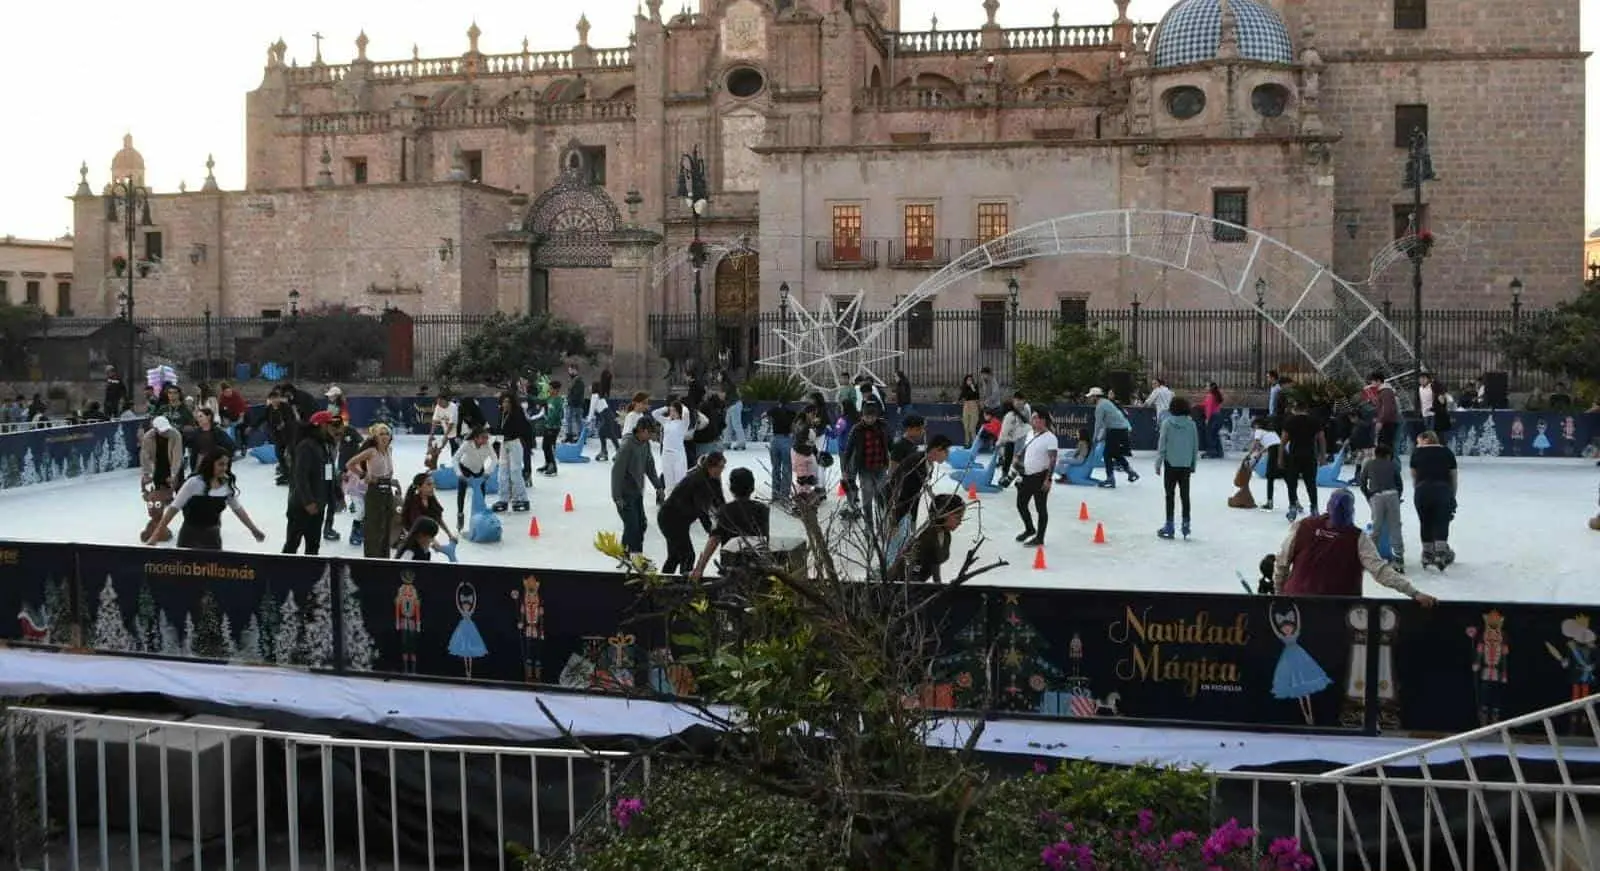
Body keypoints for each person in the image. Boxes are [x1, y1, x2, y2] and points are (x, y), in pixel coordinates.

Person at [1272, 489, 1436, 606]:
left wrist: (1280, 593)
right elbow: (1380, 571)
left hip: (1297, 603)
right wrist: (1414, 593)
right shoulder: (1357, 538)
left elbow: (1282, 562)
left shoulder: (1304, 526)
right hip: (1340, 610)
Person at [145, 447, 267, 549]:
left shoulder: (226, 484)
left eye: (227, 464)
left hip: (212, 537)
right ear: (211, 463)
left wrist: (254, 530)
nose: (224, 468)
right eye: (220, 464)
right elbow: (173, 509)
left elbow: (238, 509)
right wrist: (156, 535)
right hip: (189, 536)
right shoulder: (194, 482)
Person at [689, 467, 771, 580]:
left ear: (731, 489)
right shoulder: (762, 509)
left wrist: (699, 569)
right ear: (752, 488)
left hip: (730, 568)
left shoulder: (724, 511)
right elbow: (764, 539)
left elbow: (714, 540)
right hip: (757, 566)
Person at [658, 453, 727, 575]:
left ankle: (666, 581)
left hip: (682, 519)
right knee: (687, 555)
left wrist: (727, 519)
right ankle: (686, 584)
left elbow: (719, 502)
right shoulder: (697, 479)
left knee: (675, 556)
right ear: (710, 466)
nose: (721, 470)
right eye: (719, 467)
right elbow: (701, 509)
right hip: (669, 518)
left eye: (723, 467)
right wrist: (712, 531)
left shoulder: (713, 479)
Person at [284, 410, 338, 555]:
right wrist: (308, 501)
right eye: (330, 424)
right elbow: (300, 476)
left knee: (313, 545)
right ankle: (283, 573)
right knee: (292, 544)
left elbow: (329, 474)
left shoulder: (325, 445)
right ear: (320, 426)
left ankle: (311, 575)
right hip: (302, 506)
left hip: (319, 504)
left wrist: (336, 496)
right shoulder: (306, 446)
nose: (334, 427)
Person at [612, 416, 664, 556]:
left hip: (637, 491)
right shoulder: (627, 446)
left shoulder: (644, 444)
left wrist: (658, 486)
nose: (652, 436)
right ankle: (634, 554)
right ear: (641, 430)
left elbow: (650, 466)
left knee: (641, 524)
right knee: (633, 526)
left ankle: (627, 552)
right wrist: (617, 497)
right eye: (650, 432)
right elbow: (617, 472)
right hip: (624, 493)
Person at [888, 494, 968, 584]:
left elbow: (935, 564)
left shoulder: (946, 535)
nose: (960, 522)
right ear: (943, 514)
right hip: (901, 583)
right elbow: (910, 568)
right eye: (957, 518)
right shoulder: (926, 537)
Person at [346, 423, 399, 558]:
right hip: (374, 492)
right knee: (374, 529)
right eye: (381, 434)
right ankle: (371, 559)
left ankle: (384, 559)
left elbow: (387, 473)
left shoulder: (389, 450)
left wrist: (395, 484)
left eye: (387, 433)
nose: (385, 436)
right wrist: (364, 475)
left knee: (386, 527)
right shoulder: (371, 451)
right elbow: (350, 464)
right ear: (375, 437)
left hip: (387, 492)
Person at [1410, 430, 1459, 570]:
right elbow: (1453, 477)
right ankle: (1440, 553)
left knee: (1425, 521)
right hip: (1442, 490)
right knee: (1441, 521)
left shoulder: (1416, 453)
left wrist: (1418, 492)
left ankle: (1427, 553)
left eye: (1418, 441)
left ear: (1426, 440)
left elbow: (1414, 476)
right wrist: (1452, 496)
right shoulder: (1447, 453)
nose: (1418, 444)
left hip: (1422, 490)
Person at [842, 401, 892, 530]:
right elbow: (848, 449)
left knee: (882, 497)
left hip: (881, 467)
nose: (870, 419)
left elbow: (890, 444)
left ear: (876, 416)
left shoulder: (883, 426)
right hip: (865, 469)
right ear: (862, 416)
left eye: (872, 416)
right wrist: (845, 468)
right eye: (867, 416)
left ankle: (882, 525)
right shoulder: (857, 429)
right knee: (867, 498)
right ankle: (869, 526)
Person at [1155, 396, 1199, 540]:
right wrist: (1193, 463)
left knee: (1170, 495)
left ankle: (1169, 525)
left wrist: (1158, 463)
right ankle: (1186, 524)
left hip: (1170, 464)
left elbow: (1162, 445)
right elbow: (1195, 446)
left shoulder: (1167, 423)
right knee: (1185, 496)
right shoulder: (1191, 425)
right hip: (1185, 464)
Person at [1357, 443, 1406, 572]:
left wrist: (1369, 497)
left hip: (1376, 496)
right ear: (1388, 455)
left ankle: (1371, 557)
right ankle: (1399, 557)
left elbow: (1362, 483)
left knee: (1376, 527)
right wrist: (1397, 497)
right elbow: (1399, 484)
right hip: (1392, 495)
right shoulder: (1393, 465)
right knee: (1395, 526)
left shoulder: (1368, 464)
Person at [1012, 410, 1059, 547]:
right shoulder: (1031, 434)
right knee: (1021, 504)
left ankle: (1040, 537)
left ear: (1043, 420)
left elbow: (1053, 459)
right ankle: (1029, 528)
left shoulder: (1050, 438)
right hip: (1027, 476)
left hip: (1040, 477)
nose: (1032, 421)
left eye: (1035, 418)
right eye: (1032, 418)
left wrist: (1048, 479)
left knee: (1041, 508)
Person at [140, 416, 186, 542]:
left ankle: (189, 521)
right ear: (155, 429)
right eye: (161, 430)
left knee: (182, 493)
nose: (164, 432)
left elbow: (177, 456)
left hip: (174, 466)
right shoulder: (148, 437)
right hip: (159, 466)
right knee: (159, 495)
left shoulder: (175, 434)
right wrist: (146, 473)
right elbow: (145, 456)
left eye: (166, 429)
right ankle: (158, 522)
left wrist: (173, 474)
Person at [1279, 400, 1326, 522]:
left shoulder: (1290, 421)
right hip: (1310, 455)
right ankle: (1314, 507)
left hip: (1294, 456)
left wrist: (1280, 458)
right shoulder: (1315, 421)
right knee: (1311, 483)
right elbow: (1321, 439)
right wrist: (1322, 456)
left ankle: (1293, 507)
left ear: (1296, 409)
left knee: (1292, 483)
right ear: (1306, 409)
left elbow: (1283, 442)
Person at [653, 400, 707, 492]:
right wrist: (666, 408)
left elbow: (686, 413)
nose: (672, 413)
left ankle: (681, 503)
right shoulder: (666, 421)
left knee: (680, 482)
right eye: (671, 411)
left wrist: (682, 405)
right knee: (668, 483)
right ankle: (669, 502)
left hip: (678, 455)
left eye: (674, 411)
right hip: (666, 455)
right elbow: (655, 414)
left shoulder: (683, 423)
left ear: (679, 411)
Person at [1089, 387, 1138, 488]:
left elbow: (1098, 424)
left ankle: (1110, 479)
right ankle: (1130, 472)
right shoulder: (1106, 402)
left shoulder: (1100, 406)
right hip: (1122, 429)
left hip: (1116, 430)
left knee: (1107, 454)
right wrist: (1101, 437)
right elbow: (1105, 423)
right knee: (1115, 453)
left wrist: (1095, 438)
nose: (1089, 399)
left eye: (1091, 397)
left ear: (1095, 397)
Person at [494, 390, 533, 513]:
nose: (505, 404)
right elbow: (499, 428)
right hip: (504, 444)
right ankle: (503, 498)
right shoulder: (501, 413)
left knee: (515, 471)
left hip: (515, 443)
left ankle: (521, 498)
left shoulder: (517, 413)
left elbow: (523, 429)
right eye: (504, 401)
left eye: (508, 402)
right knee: (502, 472)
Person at [451, 427, 497, 528]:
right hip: (465, 469)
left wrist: (488, 472)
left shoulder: (488, 445)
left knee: (481, 493)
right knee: (461, 492)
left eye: (487, 437)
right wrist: (459, 474)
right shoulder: (467, 444)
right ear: (475, 438)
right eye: (483, 437)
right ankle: (460, 514)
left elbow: (494, 459)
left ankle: (479, 516)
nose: (486, 440)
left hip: (479, 470)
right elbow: (455, 459)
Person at [399, 472, 458, 549]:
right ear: (419, 487)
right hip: (412, 535)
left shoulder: (431, 499)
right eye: (429, 484)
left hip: (424, 535)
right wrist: (433, 541)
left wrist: (450, 535)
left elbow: (438, 518)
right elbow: (418, 524)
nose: (433, 487)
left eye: (433, 484)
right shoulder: (414, 501)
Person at [1245, 416, 1282, 510]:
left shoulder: (1259, 431)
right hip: (1282, 451)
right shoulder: (1272, 432)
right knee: (1287, 476)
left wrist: (1249, 455)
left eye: (1253, 427)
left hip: (1273, 452)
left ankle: (1269, 502)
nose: (1253, 429)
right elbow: (1268, 446)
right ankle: (1295, 502)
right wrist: (1259, 454)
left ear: (1257, 425)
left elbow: (1256, 444)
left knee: (1270, 477)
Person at [996, 400, 1032, 488]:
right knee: (1016, 458)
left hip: (1022, 438)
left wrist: (998, 443)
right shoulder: (1015, 414)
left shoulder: (1009, 416)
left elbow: (1004, 432)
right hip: (1027, 436)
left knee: (1016, 460)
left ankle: (1013, 479)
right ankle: (1013, 479)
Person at [767, 401, 796, 505]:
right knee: (787, 468)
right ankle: (785, 496)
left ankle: (775, 495)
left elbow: (765, 416)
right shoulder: (792, 413)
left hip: (775, 439)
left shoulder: (774, 410)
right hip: (787, 439)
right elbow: (794, 426)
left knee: (775, 468)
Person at [1368, 372, 1401, 449]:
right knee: (1385, 445)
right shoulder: (1383, 391)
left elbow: (1387, 408)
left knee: (1386, 445)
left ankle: (1388, 460)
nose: (1371, 384)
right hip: (1387, 421)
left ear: (1378, 381)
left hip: (1388, 422)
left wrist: (1380, 421)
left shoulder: (1386, 392)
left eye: (1372, 381)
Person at [1201, 382, 1226, 459]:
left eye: (1207, 386)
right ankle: (1219, 452)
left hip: (1213, 417)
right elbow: (1207, 405)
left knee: (1210, 435)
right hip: (1219, 416)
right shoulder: (1216, 395)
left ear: (1210, 388)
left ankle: (1211, 452)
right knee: (1215, 435)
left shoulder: (1210, 396)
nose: (1205, 387)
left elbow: (1209, 408)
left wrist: (1207, 419)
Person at [722, 376, 747, 450]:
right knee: (727, 424)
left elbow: (723, 396)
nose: (718, 377)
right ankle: (726, 442)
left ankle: (741, 442)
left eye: (719, 375)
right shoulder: (725, 384)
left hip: (734, 404)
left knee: (736, 424)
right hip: (731, 405)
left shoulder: (727, 384)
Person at [958, 374, 981, 443]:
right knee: (966, 426)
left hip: (973, 406)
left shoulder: (975, 386)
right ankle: (967, 442)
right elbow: (961, 396)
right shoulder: (964, 388)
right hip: (966, 406)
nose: (969, 381)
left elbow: (977, 395)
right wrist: (959, 400)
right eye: (968, 380)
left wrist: (972, 386)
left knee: (972, 427)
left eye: (971, 380)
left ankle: (974, 443)